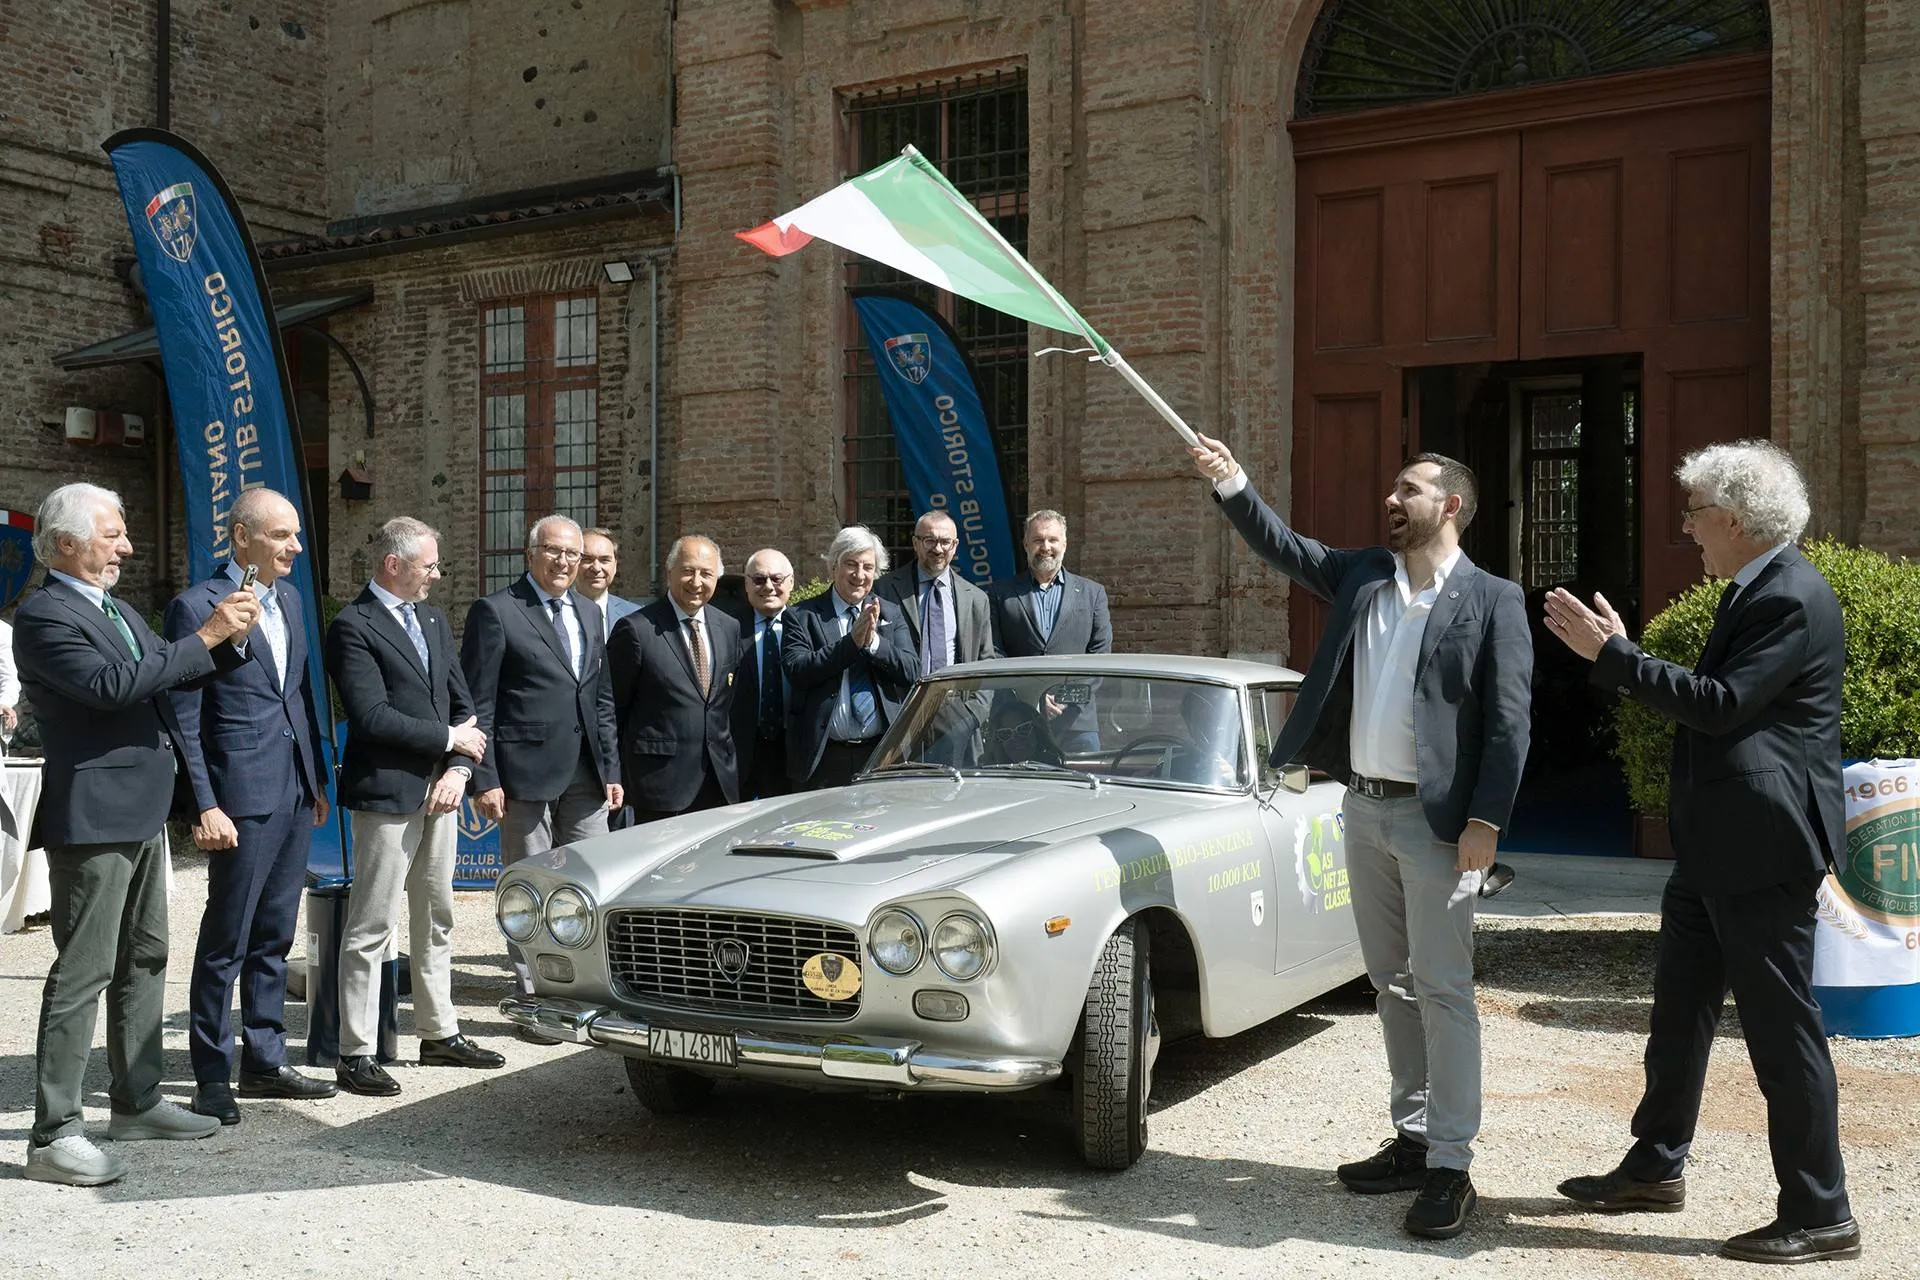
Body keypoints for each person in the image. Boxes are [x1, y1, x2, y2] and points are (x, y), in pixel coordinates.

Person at [1190, 434, 1531, 1241]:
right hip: (1363, 811)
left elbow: (1510, 723)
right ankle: (1413, 1139)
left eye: (1407, 489)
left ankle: (1451, 1164)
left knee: (1444, 990)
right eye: (1392, 485)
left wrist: (1486, 821)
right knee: (1392, 984)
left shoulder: (1493, 600)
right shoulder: (1364, 576)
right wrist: (1233, 481)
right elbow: (1282, 545)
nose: (1391, 499)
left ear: (1449, 506)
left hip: (1439, 825)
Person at [1544, 441, 1859, 1265]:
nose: (1686, 528)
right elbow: (1730, 704)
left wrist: (1615, 660)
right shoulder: (1752, 589)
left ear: (1735, 520)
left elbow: (1720, 707)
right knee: (1678, 1016)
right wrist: (1631, 655)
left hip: (1764, 846)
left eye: (1694, 513)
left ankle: (1823, 1212)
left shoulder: (1788, 595)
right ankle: (1654, 1168)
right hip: (1721, 844)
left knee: (1782, 1032)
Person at [18, 482, 258, 1186]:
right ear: (66, 543)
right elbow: (112, 686)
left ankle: (138, 1100)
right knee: (83, 971)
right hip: (94, 815)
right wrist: (205, 636)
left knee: (147, 958)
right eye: (112, 535)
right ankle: (55, 1131)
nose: (126, 546)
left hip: (146, 809)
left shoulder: (118, 608)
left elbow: (164, 676)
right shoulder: (42, 614)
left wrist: (227, 644)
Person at [165, 488, 337, 1126]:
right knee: (226, 940)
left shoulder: (288, 598)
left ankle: (264, 1059)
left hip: (292, 791)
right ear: (242, 537)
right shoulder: (194, 607)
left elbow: (297, 695)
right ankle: (212, 1073)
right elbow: (186, 716)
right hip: (239, 795)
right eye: (283, 535)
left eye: (296, 535)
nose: (296, 547)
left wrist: (315, 777)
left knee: (275, 935)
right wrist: (204, 804)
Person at [325, 516, 503, 1097]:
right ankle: (354, 1049)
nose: (437, 575)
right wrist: (450, 743)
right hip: (387, 794)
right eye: (428, 565)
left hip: (441, 792)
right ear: (393, 564)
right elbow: (371, 716)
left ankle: (438, 1032)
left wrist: (457, 769)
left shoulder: (431, 618)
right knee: (372, 924)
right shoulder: (353, 626)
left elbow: (464, 706)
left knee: (437, 915)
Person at [460, 514, 621, 1005]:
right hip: (521, 775)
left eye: (572, 553)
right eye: (554, 551)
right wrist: (484, 778)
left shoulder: (591, 613)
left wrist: (612, 769)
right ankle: (537, 993)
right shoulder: (497, 610)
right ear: (530, 554)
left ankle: (586, 986)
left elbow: (601, 700)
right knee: (531, 887)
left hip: (587, 774)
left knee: (593, 882)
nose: (564, 561)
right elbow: (477, 704)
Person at [608, 535, 743, 822]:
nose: (696, 581)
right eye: (688, 570)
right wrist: (611, 772)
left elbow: (725, 705)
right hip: (659, 787)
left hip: (719, 784)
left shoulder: (729, 628)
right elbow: (612, 710)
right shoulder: (636, 630)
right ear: (669, 572)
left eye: (706, 573)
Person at [783, 525, 919, 790]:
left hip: (880, 755)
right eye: (851, 565)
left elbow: (912, 670)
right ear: (833, 567)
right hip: (825, 758)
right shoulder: (802, 616)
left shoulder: (890, 613)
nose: (859, 575)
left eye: (868, 567)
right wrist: (851, 644)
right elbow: (797, 670)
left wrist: (874, 643)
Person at [987, 510, 1112, 753]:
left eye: (1053, 540)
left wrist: (1067, 699)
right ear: (1026, 544)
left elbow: (1100, 656)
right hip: (1016, 724)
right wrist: (1032, 696)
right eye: (1038, 540)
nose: (1046, 547)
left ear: (1064, 544)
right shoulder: (999, 594)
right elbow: (994, 653)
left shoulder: (1092, 593)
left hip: (1077, 724)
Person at [875, 510, 998, 676]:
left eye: (946, 542)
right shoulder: (884, 589)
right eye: (929, 540)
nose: (938, 549)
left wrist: (976, 702)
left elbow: (985, 660)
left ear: (955, 545)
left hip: (957, 699)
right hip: (901, 699)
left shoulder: (976, 599)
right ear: (915, 543)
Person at [733, 548, 796, 800]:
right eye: (759, 579)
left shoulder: (808, 624)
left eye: (777, 579)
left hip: (792, 748)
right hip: (742, 749)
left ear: (791, 582)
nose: (768, 587)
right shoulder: (729, 627)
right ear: (746, 584)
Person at [577, 527, 644, 641]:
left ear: (615, 566)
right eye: (587, 559)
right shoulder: (556, 613)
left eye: (604, 560)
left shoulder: (637, 615)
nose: (596, 568)